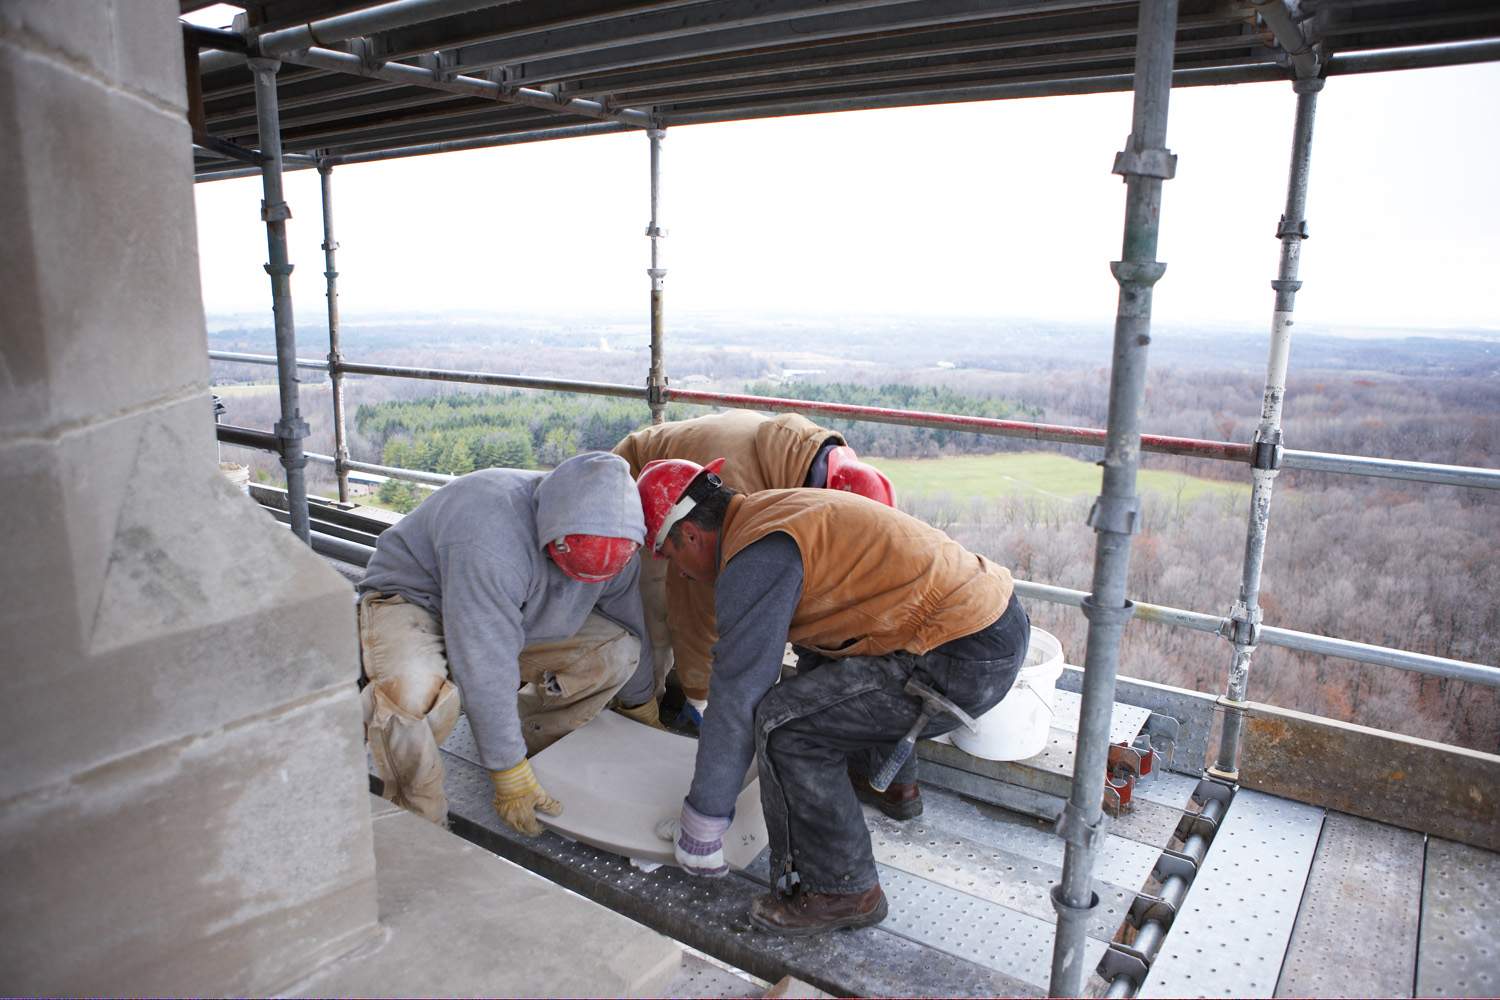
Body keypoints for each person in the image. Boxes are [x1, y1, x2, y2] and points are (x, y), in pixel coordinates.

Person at [638, 459, 1029, 935]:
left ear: (690, 536)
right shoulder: (773, 512)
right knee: (820, 685)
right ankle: (891, 787)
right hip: (989, 621)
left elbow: (739, 695)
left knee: (785, 728)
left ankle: (843, 890)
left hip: (960, 657)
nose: (679, 573)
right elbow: (832, 638)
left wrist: (703, 821)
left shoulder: (755, 559)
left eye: (670, 557)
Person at [616, 410, 920, 821]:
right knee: (650, 613)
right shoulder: (741, 495)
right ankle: (638, 721)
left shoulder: (840, 475)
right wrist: (703, 701)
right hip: (643, 494)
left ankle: (890, 780)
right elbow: (694, 604)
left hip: (684, 506)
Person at [357, 451, 663, 833]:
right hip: (416, 601)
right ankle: (420, 829)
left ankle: (532, 745)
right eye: (576, 571)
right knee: (412, 700)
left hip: (515, 609)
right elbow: (485, 658)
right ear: (555, 535)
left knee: (618, 652)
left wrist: (642, 703)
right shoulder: (489, 533)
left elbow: (628, 622)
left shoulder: (617, 542)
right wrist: (506, 770)